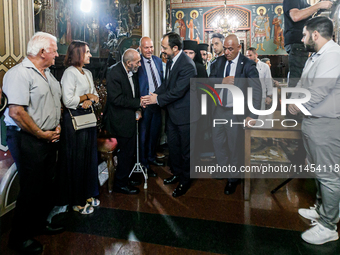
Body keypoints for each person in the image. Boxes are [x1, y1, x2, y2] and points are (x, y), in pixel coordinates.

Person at [3, 32, 64, 254]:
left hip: (47, 137)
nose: (57, 54)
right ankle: (18, 238)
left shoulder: (47, 74)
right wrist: (40, 133)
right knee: (30, 188)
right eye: (54, 50)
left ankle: (38, 225)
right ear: (42, 52)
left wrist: (55, 127)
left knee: (45, 185)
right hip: (27, 138)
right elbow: (17, 112)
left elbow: (53, 104)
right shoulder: (19, 74)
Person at [288, 16, 340, 245]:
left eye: (304, 34)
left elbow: (318, 91)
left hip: (325, 123)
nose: (302, 38)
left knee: (329, 176)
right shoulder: (316, 55)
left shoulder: (332, 55)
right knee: (319, 171)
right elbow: (303, 84)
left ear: (315, 34)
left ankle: (329, 226)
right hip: (311, 121)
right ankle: (321, 209)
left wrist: (296, 105)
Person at [142, 32, 196, 197]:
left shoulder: (187, 65)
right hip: (173, 114)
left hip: (185, 116)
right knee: (174, 148)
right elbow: (166, 85)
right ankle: (177, 174)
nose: (162, 50)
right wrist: (153, 95)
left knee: (186, 152)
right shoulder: (172, 60)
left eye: (165, 47)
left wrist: (155, 100)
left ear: (175, 48)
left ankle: (185, 181)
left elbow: (177, 92)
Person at [209, 34, 262, 195]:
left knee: (234, 145)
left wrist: (253, 115)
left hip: (236, 112)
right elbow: (208, 81)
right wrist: (221, 81)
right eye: (225, 48)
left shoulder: (247, 65)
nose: (226, 52)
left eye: (230, 49)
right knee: (217, 143)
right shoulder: (218, 62)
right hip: (219, 109)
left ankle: (233, 178)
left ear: (239, 48)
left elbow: (256, 91)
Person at [60, 40, 100, 214]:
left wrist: (90, 99)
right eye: (87, 52)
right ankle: (77, 200)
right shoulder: (69, 73)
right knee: (77, 161)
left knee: (89, 158)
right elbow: (68, 100)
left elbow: (96, 95)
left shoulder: (88, 73)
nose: (90, 54)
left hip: (88, 120)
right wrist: (86, 97)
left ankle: (88, 193)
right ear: (78, 54)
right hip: (75, 122)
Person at [103, 49, 142, 195]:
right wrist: (138, 103)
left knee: (130, 151)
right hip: (119, 120)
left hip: (129, 117)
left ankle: (126, 177)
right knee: (125, 152)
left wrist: (138, 108)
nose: (139, 64)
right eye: (137, 62)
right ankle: (120, 183)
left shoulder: (133, 71)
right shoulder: (114, 72)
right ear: (128, 63)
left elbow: (134, 91)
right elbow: (116, 99)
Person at [283, 0, 333, 90]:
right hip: (298, 44)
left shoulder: (304, 3)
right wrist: (319, 5)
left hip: (304, 45)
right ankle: (292, 103)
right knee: (297, 79)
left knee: (303, 79)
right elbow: (296, 16)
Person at [137, 37, 164, 177]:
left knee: (155, 133)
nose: (149, 50)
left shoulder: (158, 61)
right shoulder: (137, 62)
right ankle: (144, 163)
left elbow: (161, 80)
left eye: (151, 47)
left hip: (157, 103)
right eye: (146, 47)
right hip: (145, 104)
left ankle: (152, 157)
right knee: (144, 135)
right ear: (140, 48)